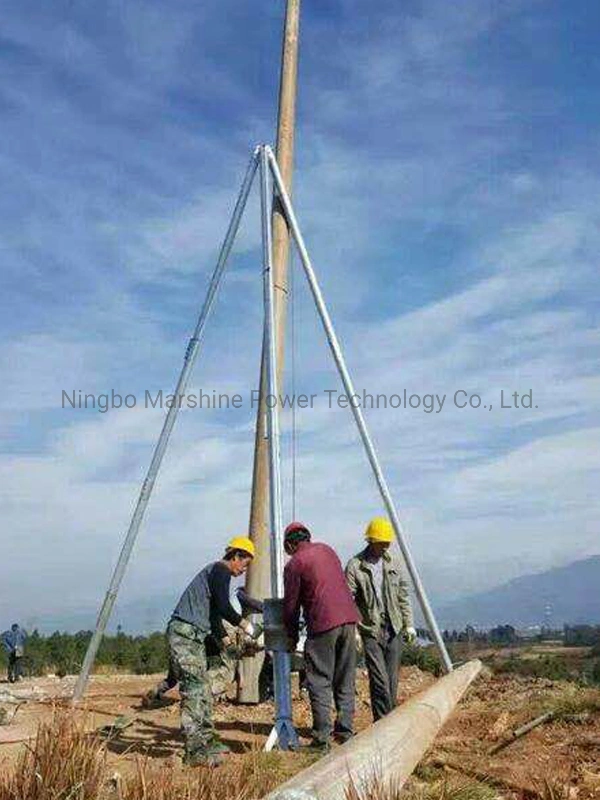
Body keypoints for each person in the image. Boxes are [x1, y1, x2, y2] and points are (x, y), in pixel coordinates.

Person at [167, 537, 262, 767]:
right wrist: (247, 626)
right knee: (194, 690)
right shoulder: (220, 570)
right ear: (236, 556)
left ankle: (207, 740)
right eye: (245, 564)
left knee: (204, 688)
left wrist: (226, 642)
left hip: (195, 635)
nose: (243, 570)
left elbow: (213, 616)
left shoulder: (216, 575)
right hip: (184, 634)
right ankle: (194, 751)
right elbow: (223, 607)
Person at [282, 521, 360, 751]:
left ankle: (321, 739)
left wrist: (291, 636)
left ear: (289, 544)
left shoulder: (295, 564)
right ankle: (345, 731)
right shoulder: (327, 550)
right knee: (345, 678)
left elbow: (291, 606)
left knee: (319, 680)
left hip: (324, 624)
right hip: (348, 619)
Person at [143, 589, 264, 708]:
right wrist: (267, 609)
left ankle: (155, 692)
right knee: (226, 668)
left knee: (174, 676)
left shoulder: (215, 602)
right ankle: (201, 695)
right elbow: (252, 602)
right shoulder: (238, 593)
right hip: (225, 628)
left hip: (189, 636)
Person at [345, 518, 416, 722]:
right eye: (382, 542)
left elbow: (403, 595)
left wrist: (409, 624)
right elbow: (347, 599)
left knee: (392, 680)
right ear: (371, 540)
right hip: (370, 629)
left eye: (388, 542)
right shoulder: (355, 566)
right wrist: (355, 630)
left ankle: (384, 722)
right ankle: (386, 721)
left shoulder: (393, 564)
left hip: (393, 628)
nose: (386, 545)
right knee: (379, 679)